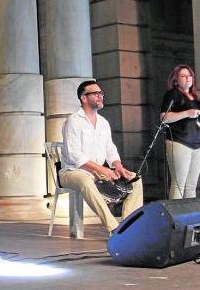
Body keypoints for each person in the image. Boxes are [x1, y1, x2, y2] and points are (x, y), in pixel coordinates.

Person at [60, 80, 143, 234]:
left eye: (101, 93)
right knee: (85, 180)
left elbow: (110, 149)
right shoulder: (73, 121)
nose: (100, 96)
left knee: (135, 179)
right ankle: (114, 229)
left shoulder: (103, 123)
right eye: (95, 94)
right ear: (83, 98)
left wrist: (118, 166)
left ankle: (129, 226)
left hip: (97, 171)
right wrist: (104, 171)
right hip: (72, 172)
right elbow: (75, 155)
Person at [160, 64, 200, 199]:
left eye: (189, 75)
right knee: (179, 184)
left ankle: (190, 217)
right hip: (179, 142)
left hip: (196, 144)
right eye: (183, 76)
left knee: (191, 185)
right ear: (176, 79)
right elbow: (164, 117)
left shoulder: (196, 99)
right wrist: (186, 113)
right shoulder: (172, 94)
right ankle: (176, 218)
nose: (187, 78)